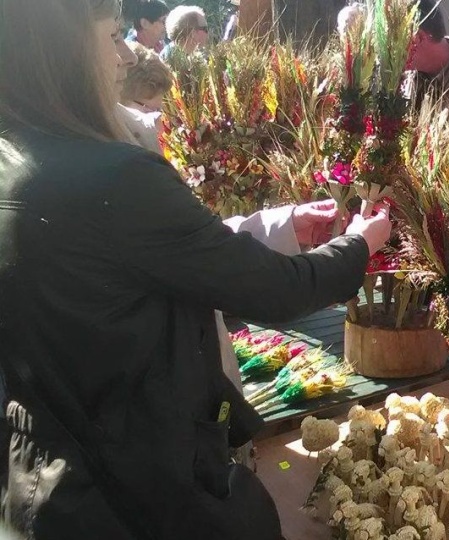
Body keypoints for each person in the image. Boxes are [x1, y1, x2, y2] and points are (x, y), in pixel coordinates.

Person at [0, 2, 392, 539]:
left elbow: (149, 257)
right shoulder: (114, 176)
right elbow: (274, 289)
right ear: (63, 52)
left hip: (42, 488)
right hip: (139, 491)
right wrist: (358, 246)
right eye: (112, 35)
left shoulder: (15, 160)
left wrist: (278, 226)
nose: (121, 57)